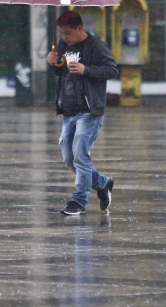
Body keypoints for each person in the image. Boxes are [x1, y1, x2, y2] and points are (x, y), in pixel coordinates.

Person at [47, 11, 119, 215]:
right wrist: (53, 63)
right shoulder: (62, 45)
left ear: (80, 28)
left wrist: (86, 69)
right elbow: (61, 73)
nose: (64, 37)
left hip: (89, 110)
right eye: (61, 33)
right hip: (69, 110)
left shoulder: (96, 46)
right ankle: (102, 183)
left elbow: (112, 70)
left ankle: (79, 201)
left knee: (80, 156)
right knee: (70, 159)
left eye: (68, 33)